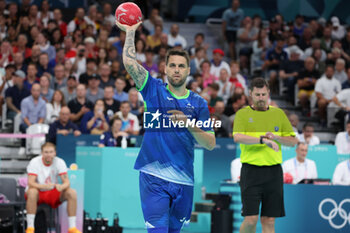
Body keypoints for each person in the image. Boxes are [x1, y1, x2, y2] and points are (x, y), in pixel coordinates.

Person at [115, 20, 215, 232]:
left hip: (184, 180)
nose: (176, 70)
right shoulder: (153, 90)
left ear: (188, 70)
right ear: (165, 68)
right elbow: (130, 64)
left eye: (181, 66)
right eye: (172, 65)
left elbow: (210, 143)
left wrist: (188, 123)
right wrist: (131, 32)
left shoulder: (199, 104)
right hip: (153, 178)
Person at [233, 77, 297, 233]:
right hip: (251, 171)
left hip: (273, 172)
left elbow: (293, 141)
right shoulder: (242, 114)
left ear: (268, 93)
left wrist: (277, 138)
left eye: (263, 94)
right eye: (257, 95)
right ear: (251, 94)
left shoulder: (278, 114)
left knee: (269, 220)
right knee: (250, 219)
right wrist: (262, 140)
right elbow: (238, 137)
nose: (261, 98)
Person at [25, 142, 81, 233]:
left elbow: (67, 182)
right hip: (38, 192)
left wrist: (61, 186)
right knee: (32, 192)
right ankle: (30, 228)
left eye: (51, 152)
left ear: (55, 153)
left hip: (52, 192)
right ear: (42, 153)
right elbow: (31, 183)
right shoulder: (34, 162)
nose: (48, 155)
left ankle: (72, 228)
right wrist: (43, 186)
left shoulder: (60, 162)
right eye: (46, 152)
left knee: (71, 192)